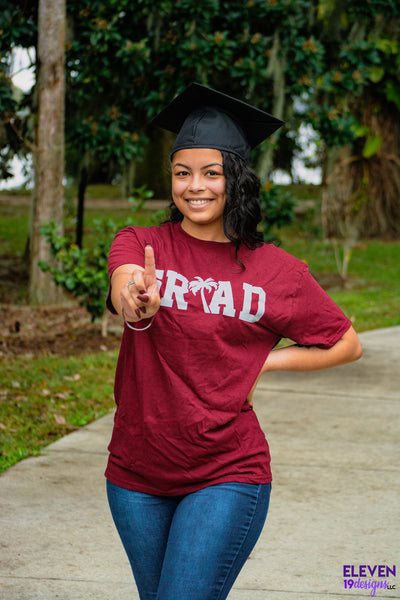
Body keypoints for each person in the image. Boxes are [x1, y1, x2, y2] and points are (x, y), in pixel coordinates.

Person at [105, 82, 362, 600]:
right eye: (182, 173)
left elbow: (347, 343)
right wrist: (137, 299)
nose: (194, 186)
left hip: (226, 471)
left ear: (236, 179)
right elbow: (125, 286)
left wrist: (267, 362)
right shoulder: (141, 242)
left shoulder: (277, 271)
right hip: (135, 475)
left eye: (211, 172)